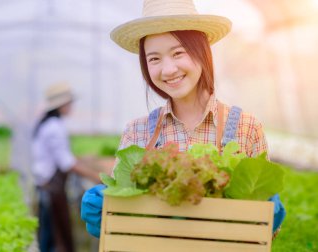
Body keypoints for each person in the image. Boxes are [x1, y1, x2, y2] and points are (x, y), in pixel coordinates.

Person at [81, 0, 285, 240]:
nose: (168, 70)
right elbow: (123, 227)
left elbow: (261, 236)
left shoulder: (247, 127)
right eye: (154, 59)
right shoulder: (136, 132)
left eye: (178, 53)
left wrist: (265, 217)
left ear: (202, 52)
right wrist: (107, 215)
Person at [32, 83, 100, 252]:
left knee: (49, 232)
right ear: (61, 105)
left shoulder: (48, 123)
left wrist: (83, 159)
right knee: (54, 235)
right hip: (51, 186)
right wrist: (95, 176)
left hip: (47, 185)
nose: (71, 107)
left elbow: (62, 156)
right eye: (69, 103)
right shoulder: (55, 126)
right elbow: (66, 163)